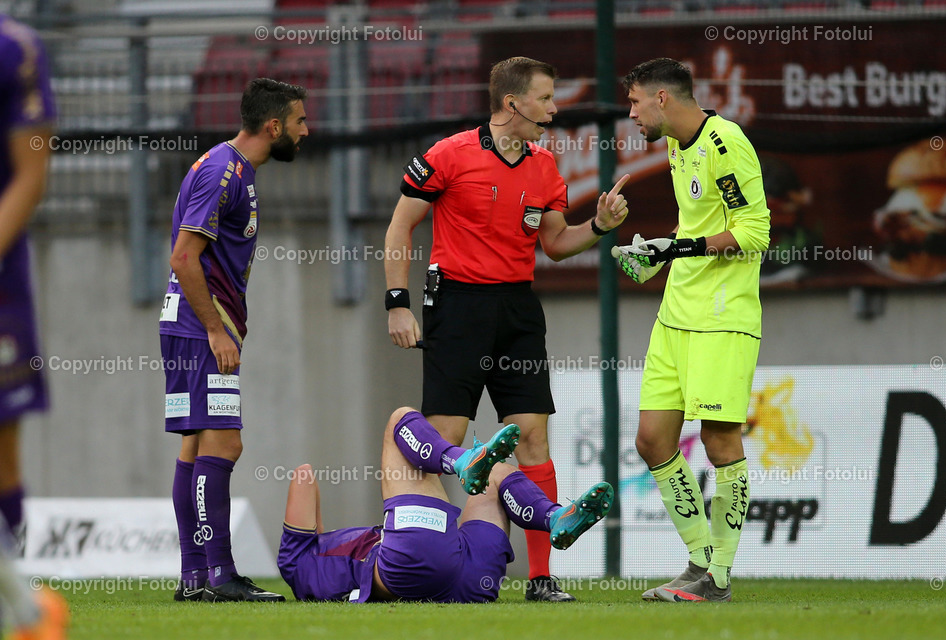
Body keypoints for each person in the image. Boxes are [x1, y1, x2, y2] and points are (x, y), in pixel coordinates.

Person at [384, 56, 629, 602]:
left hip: (518, 311)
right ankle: (423, 565)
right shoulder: (448, 154)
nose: (554, 108)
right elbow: (401, 224)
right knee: (443, 442)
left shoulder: (545, 166)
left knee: (533, 435)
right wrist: (397, 302)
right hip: (457, 308)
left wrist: (600, 227)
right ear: (512, 103)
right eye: (545, 98)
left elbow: (558, 245)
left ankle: (541, 579)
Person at [616, 58, 770, 603]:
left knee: (718, 438)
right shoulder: (679, 146)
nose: (629, 113)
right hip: (675, 314)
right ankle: (700, 562)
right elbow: (698, 225)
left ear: (662, 98)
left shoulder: (726, 144)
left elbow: (755, 230)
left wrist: (678, 247)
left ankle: (718, 574)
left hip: (722, 317)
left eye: (634, 103)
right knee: (652, 440)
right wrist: (660, 253)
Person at [159, 78, 308, 602]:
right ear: (274, 127)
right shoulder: (224, 173)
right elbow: (183, 257)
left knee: (195, 444)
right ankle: (219, 575)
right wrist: (217, 329)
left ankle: (195, 577)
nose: (305, 131)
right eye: (299, 121)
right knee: (225, 441)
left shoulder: (229, 167)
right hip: (201, 328)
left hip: (191, 325)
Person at [277, 408, 614, 603]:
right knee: (400, 419)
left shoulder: (313, 574)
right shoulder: (293, 559)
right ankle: (463, 462)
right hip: (413, 565)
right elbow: (304, 476)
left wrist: (318, 536)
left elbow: (319, 546)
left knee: (495, 472)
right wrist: (314, 532)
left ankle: (556, 518)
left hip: (471, 582)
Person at [0, 13, 70, 639]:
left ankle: (15, 603)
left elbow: (31, 174)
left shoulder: (15, 48)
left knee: (2, 452)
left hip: (1, 285)